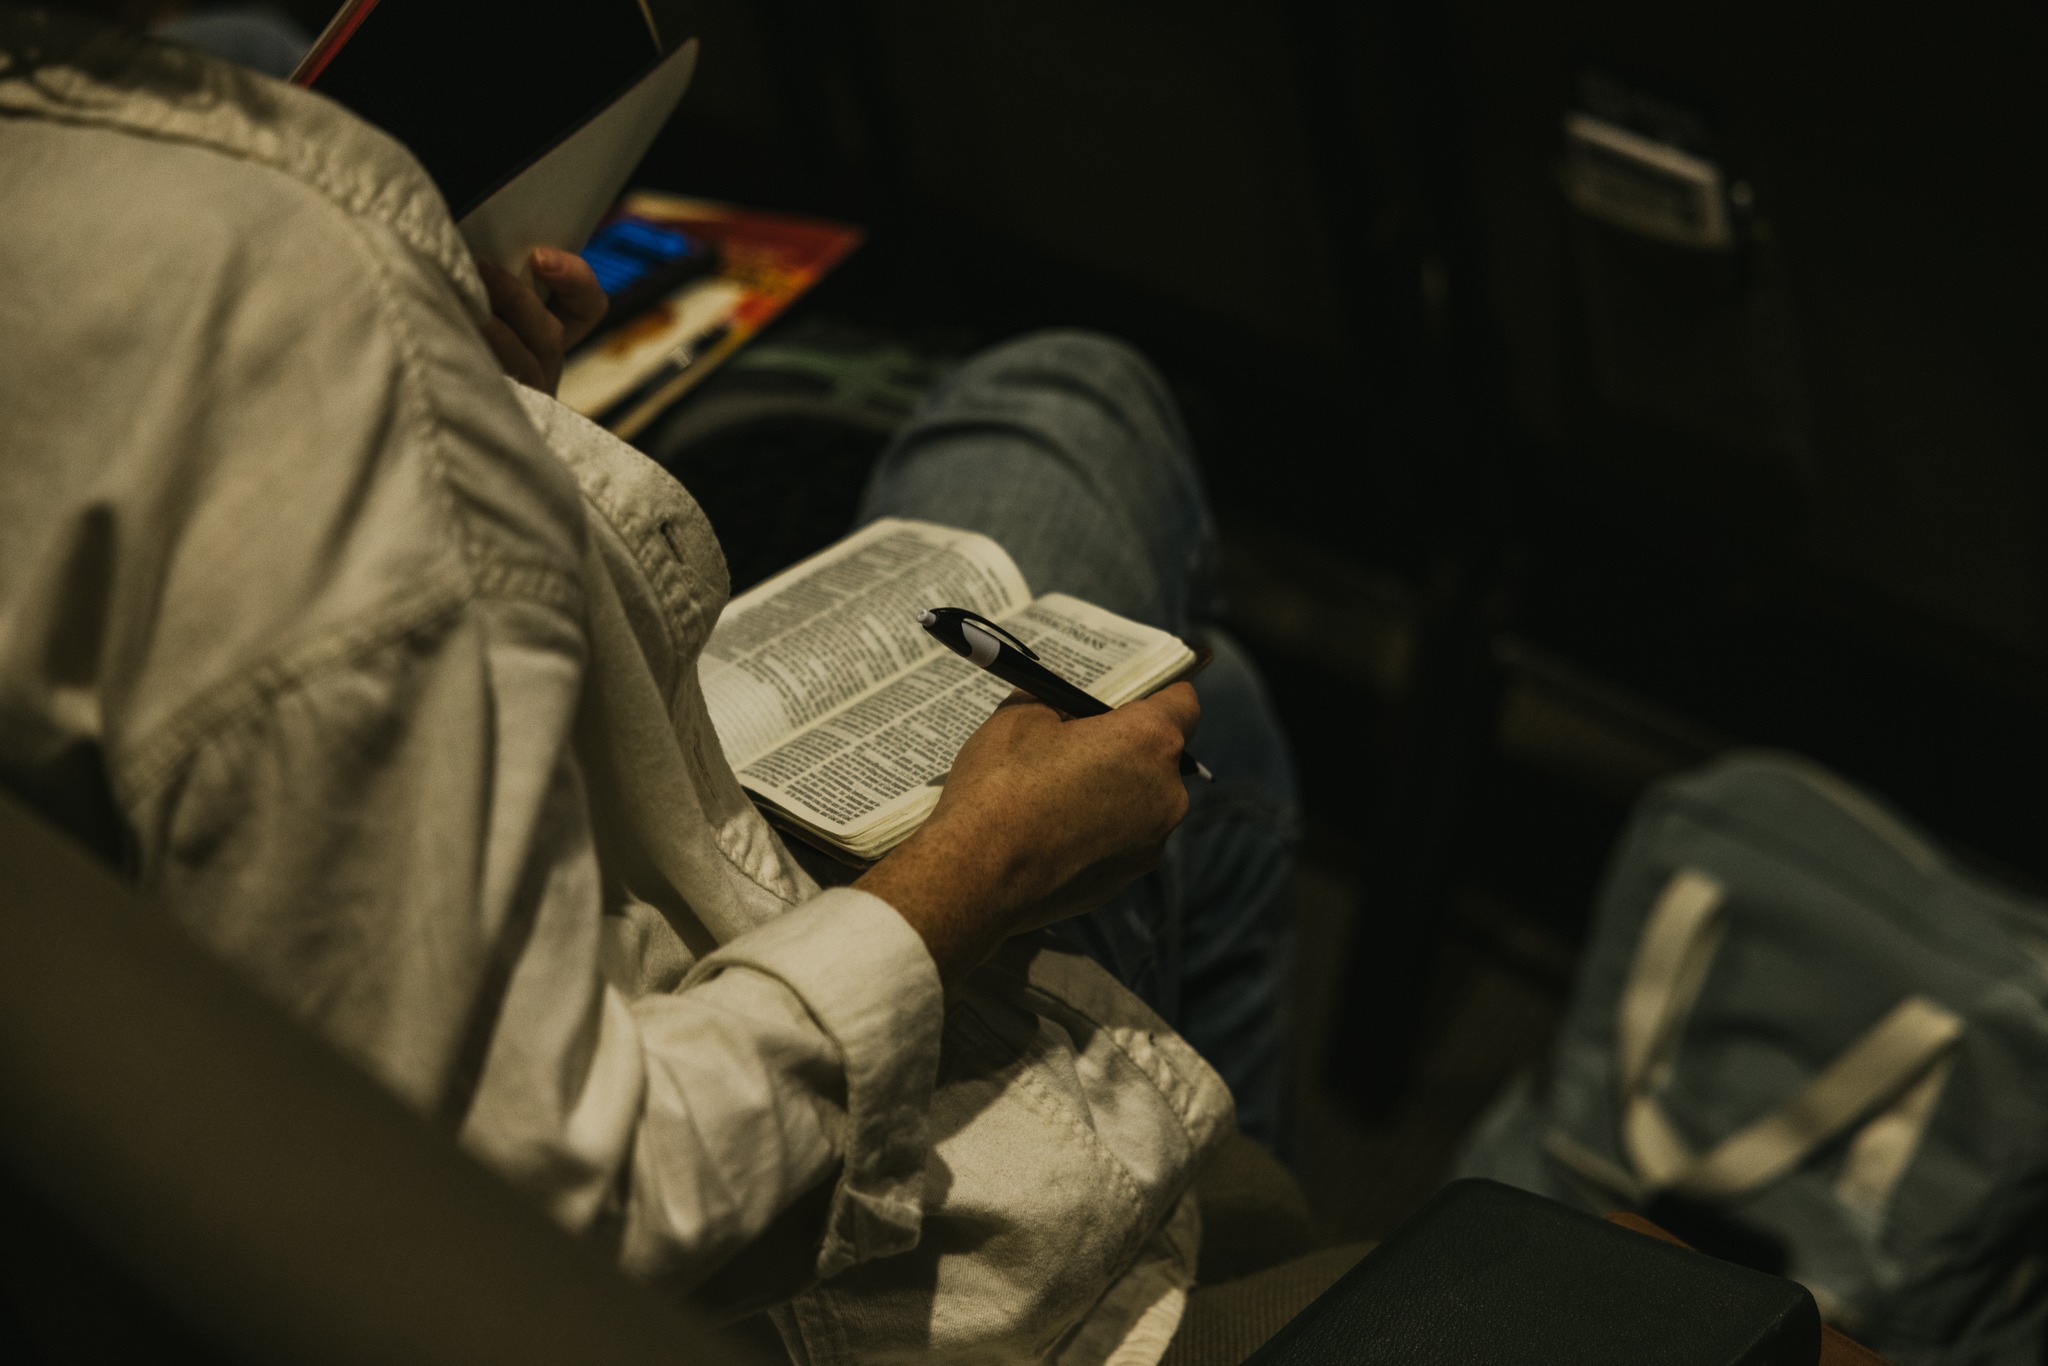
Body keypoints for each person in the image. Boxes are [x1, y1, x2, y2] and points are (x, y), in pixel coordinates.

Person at [0, 5, 1298, 1361]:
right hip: (811, 1263)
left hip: (670, 909)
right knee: (1068, 403)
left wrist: (489, 425)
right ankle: (1241, 1258)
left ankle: (1230, 1214)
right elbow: (528, 1221)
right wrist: (984, 871)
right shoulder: (285, 320)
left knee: (1223, 716)